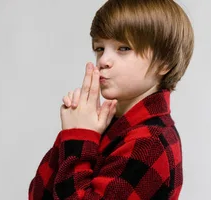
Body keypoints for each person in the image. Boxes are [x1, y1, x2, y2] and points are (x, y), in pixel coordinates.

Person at [29, 0, 194, 199]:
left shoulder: (150, 143)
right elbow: (38, 194)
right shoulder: (105, 124)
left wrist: (78, 136)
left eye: (123, 48)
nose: (104, 61)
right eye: (99, 48)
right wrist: (73, 132)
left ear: (164, 62)